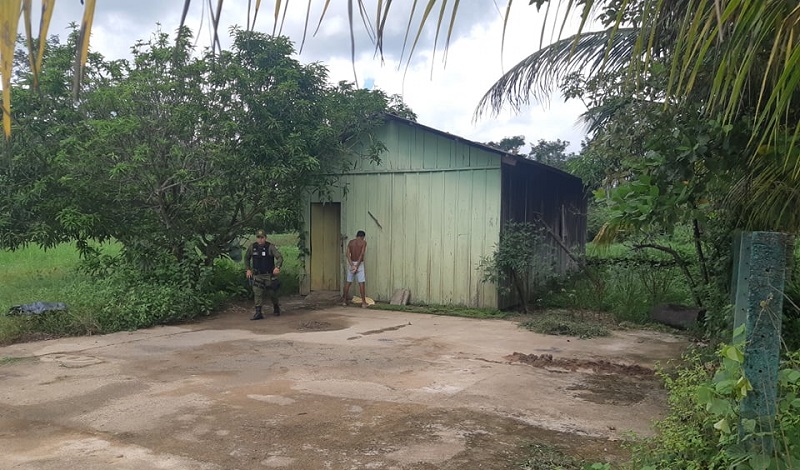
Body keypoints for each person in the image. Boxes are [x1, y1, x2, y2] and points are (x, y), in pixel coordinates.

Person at [244, 229, 283, 320]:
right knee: (257, 293)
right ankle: (258, 312)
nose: (260, 239)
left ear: (265, 238)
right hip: (257, 275)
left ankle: (276, 307)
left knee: (272, 293)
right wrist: (248, 269)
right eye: (258, 237)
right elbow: (246, 258)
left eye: (262, 237)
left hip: (268, 275)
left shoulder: (270, 247)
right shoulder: (252, 247)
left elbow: (279, 257)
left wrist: (277, 267)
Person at [342, 230, 368, 308]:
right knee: (361, 283)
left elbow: (347, 254)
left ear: (356, 235)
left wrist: (352, 265)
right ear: (363, 236)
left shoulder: (351, 242)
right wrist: (357, 266)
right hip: (359, 264)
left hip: (352, 263)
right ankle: (363, 303)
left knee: (348, 282)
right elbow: (361, 254)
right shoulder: (363, 243)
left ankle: (344, 301)